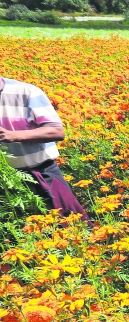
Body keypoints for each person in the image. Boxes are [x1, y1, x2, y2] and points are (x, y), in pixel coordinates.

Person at [0, 76, 86, 217]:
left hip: (41, 172)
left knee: (68, 225)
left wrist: (11, 136)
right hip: (5, 180)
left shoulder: (26, 92)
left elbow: (56, 131)